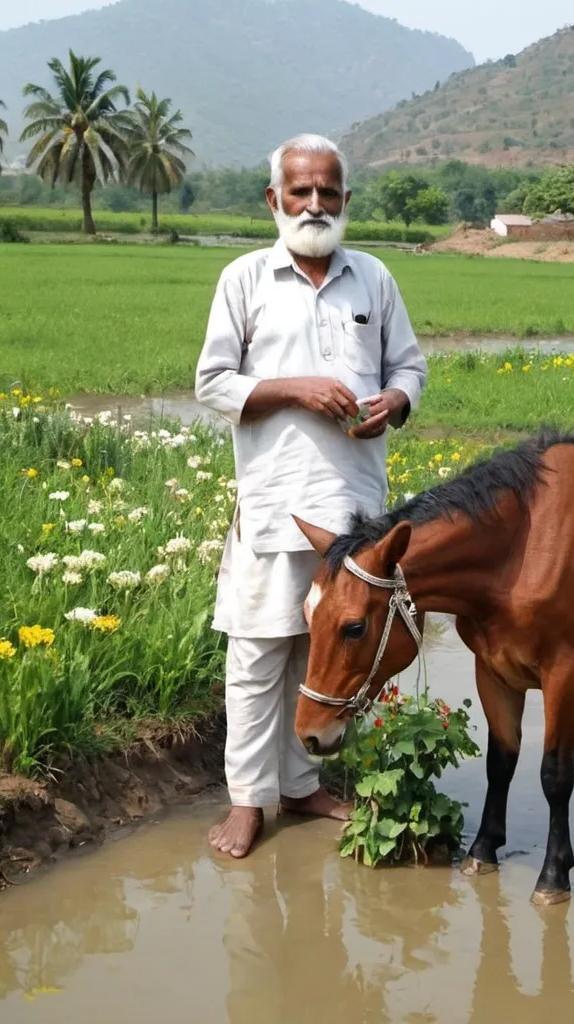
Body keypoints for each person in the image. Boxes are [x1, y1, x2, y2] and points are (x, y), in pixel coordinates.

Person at [194, 133, 428, 858]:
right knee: (259, 654)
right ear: (275, 200)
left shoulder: (374, 278)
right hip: (273, 504)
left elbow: (411, 366)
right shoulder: (245, 279)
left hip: (352, 514)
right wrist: (295, 389)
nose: (315, 204)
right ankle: (247, 799)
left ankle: (301, 786)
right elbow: (212, 383)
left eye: (328, 191)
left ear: (346, 200)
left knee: (320, 654)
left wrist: (394, 399)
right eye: (301, 191)